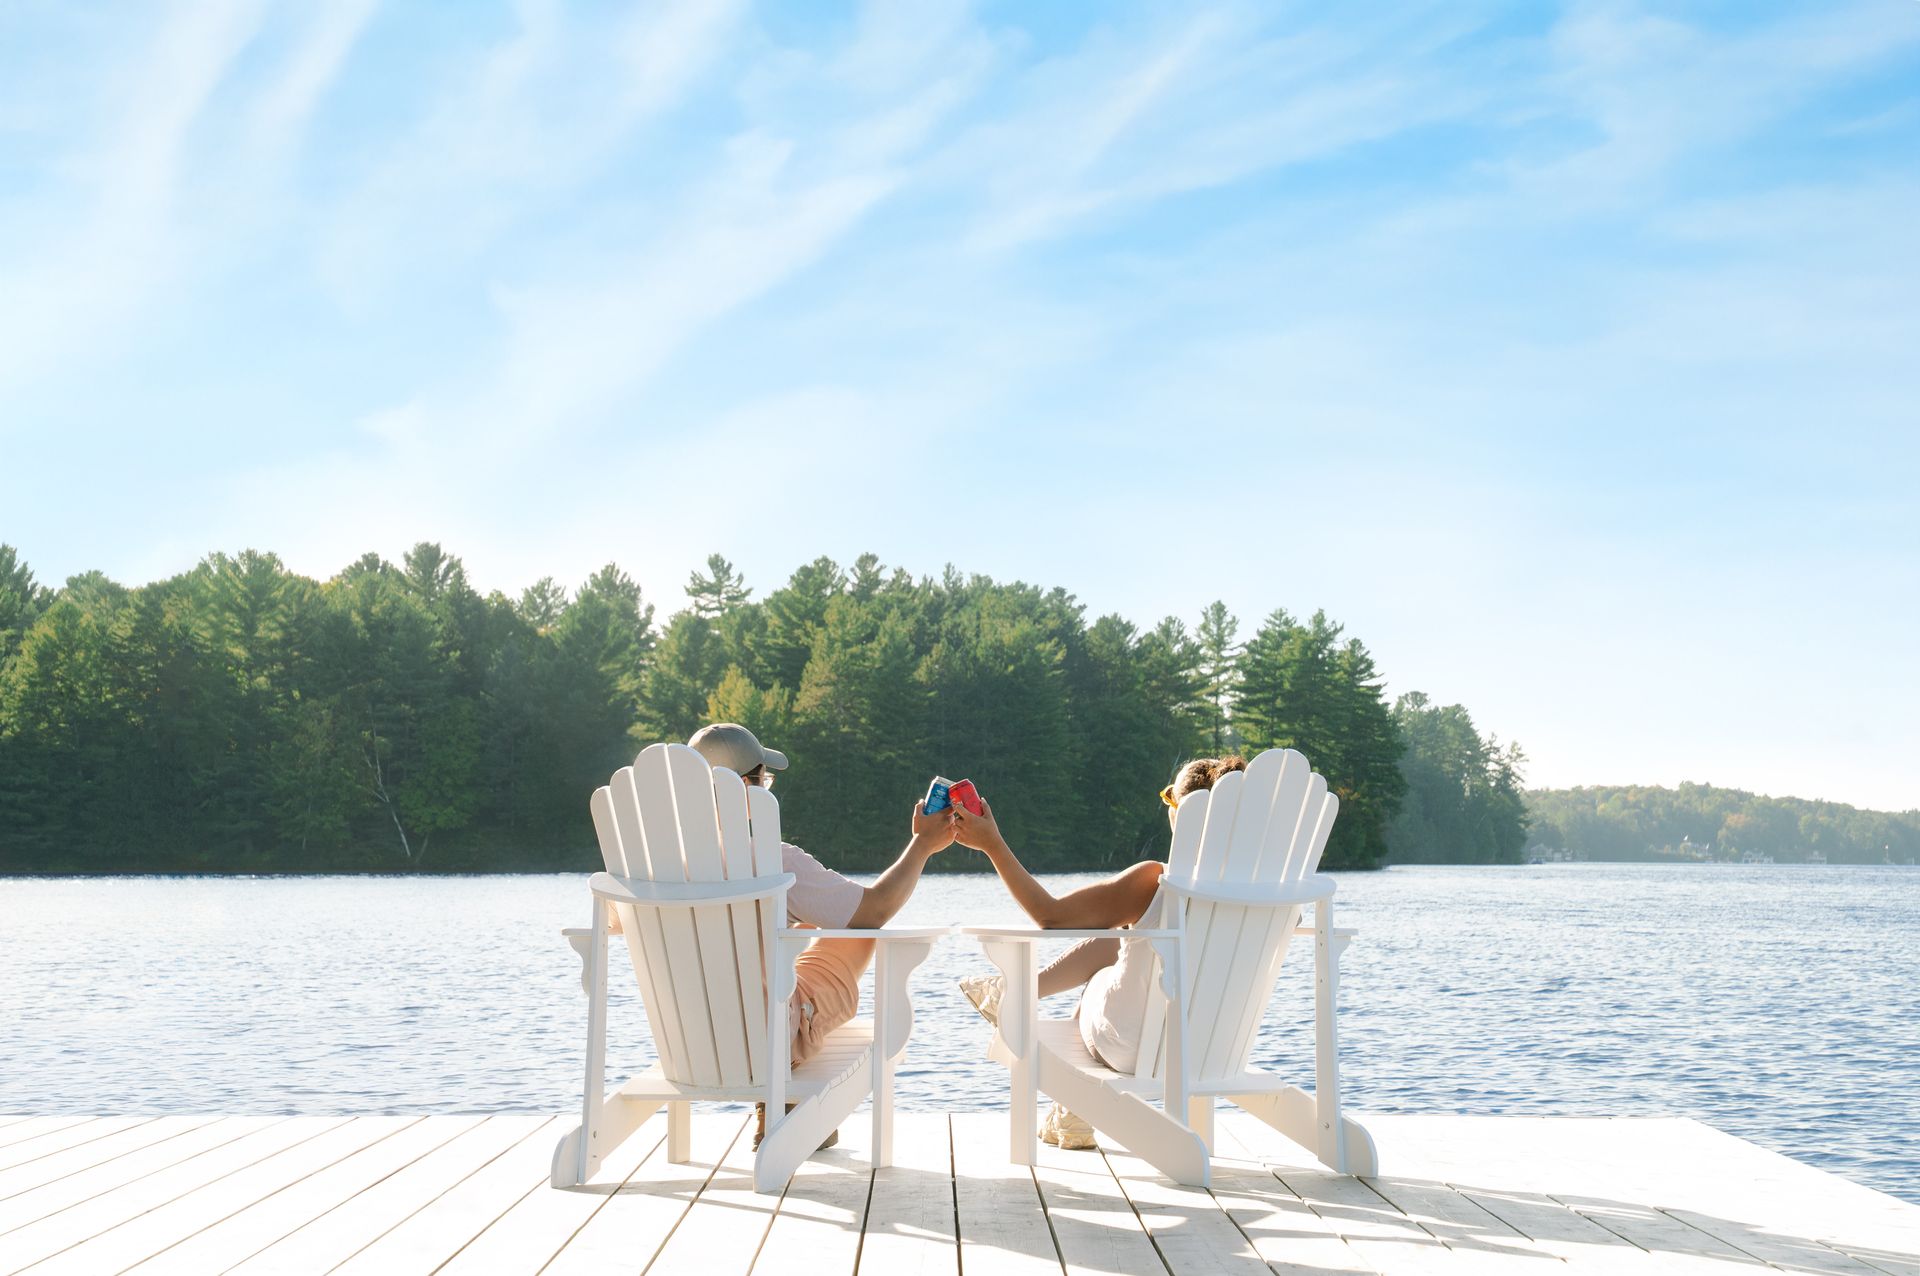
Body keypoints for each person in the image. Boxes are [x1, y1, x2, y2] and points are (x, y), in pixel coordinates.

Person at [617, 723, 957, 1148]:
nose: (767, 789)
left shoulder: (645, 869)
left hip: (682, 1041)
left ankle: (783, 1104)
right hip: (766, 1041)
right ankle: (781, 1104)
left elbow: (615, 923)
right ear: (742, 788)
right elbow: (875, 910)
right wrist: (922, 845)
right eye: (764, 779)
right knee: (857, 932)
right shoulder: (772, 862)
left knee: (789, 934)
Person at [951, 755, 1247, 1150]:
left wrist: (992, 843)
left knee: (1113, 958)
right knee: (1127, 938)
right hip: (1222, 1049)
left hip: (1136, 1048)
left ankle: (1014, 997)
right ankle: (1069, 1111)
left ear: (1182, 815)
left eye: (1169, 801)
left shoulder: (1154, 882)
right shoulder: (1272, 894)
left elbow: (1051, 917)